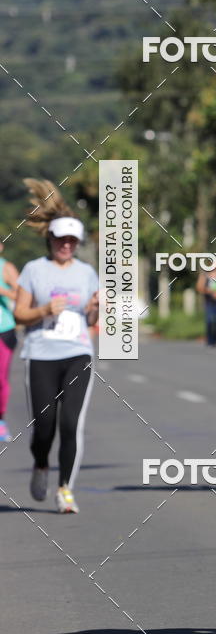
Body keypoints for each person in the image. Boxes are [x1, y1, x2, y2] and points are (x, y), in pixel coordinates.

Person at [14, 179, 99, 514]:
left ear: (77, 243)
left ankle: (65, 488)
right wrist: (43, 310)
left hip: (77, 352)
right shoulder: (34, 270)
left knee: (70, 424)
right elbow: (20, 314)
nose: (66, 245)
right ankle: (40, 464)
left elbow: (91, 316)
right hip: (40, 353)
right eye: (61, 240)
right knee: (45, 425)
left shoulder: (86, 272)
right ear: (50, 239)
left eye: (71, 241)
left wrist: (94, 306)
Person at [0, 240, 19, 442]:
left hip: (3, 329)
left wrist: (3, 291)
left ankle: (0, 420)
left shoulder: (6, 268)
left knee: (0, 378)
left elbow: (23, 294)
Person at [196, 271, 216, 347]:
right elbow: (199, 288)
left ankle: (215, 340)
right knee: (210, 322)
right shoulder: (205, 275)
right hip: (209, 303)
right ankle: (209, 340)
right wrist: (210, 291)